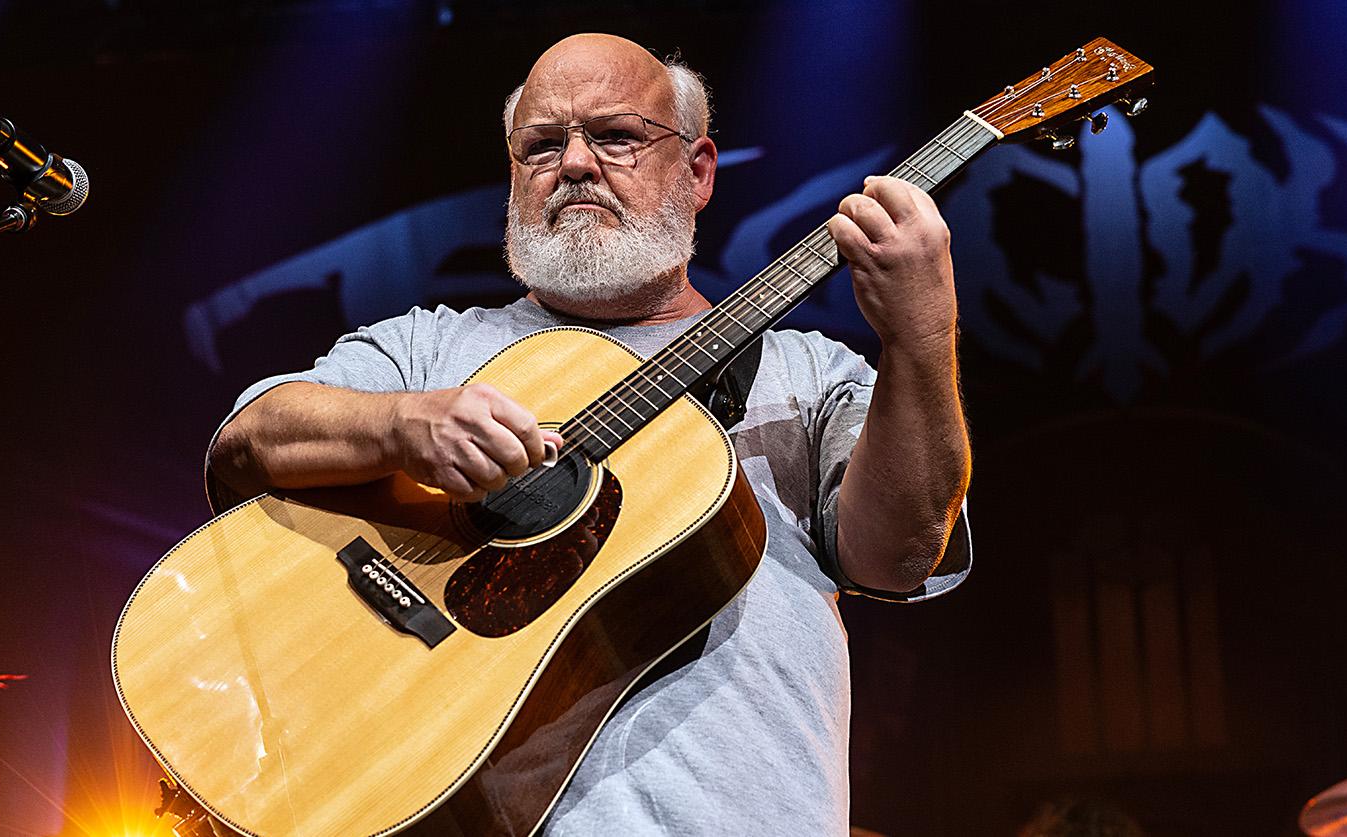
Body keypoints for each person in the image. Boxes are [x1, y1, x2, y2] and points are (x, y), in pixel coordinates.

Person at [208, 33, 972, 834]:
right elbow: (249, 440)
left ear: (699, 170)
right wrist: (403, 423)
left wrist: (920, 337)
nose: (573, 164)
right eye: (541, 144)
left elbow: (902, 553)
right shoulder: (430, 348)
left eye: (615, 136)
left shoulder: (808, 373)